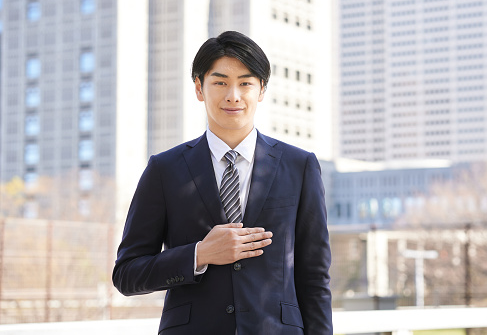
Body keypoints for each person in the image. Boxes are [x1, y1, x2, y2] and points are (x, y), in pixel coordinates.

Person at [113, 30, 332, 335]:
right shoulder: (164, 169)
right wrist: (199, 254)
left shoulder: (300, 166)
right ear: (199, 88)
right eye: (220, 83)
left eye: (245, 83)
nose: (233, 95)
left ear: (262, 91)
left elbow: (315, 278)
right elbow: (126, 274)